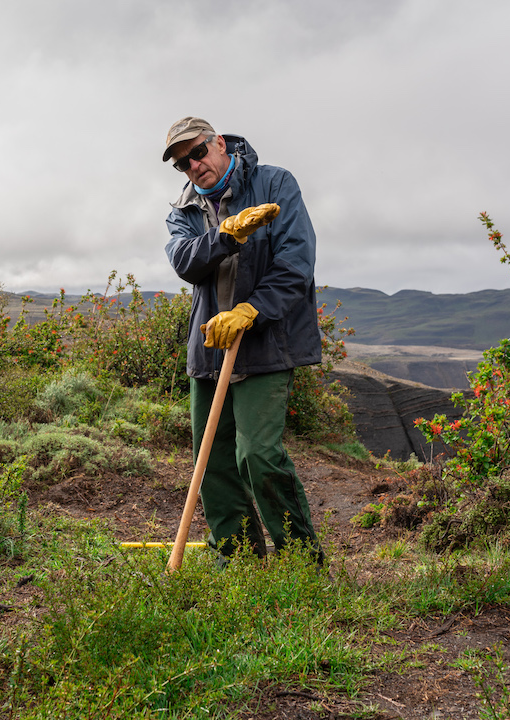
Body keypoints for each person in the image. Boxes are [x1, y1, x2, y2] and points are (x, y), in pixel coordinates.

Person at [162, 116, 324, 564]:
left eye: (197, 152)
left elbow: (296, 262)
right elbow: (185, 261)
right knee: (211, 466)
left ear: (219, 143)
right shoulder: (183, 210)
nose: (193, 166)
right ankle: (237, 562)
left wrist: (252, 310)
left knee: (258, 455)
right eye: (182, 163)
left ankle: (301, 564)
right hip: (210, 351)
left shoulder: (275, 184)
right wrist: (226, 235)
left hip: (264, 345)